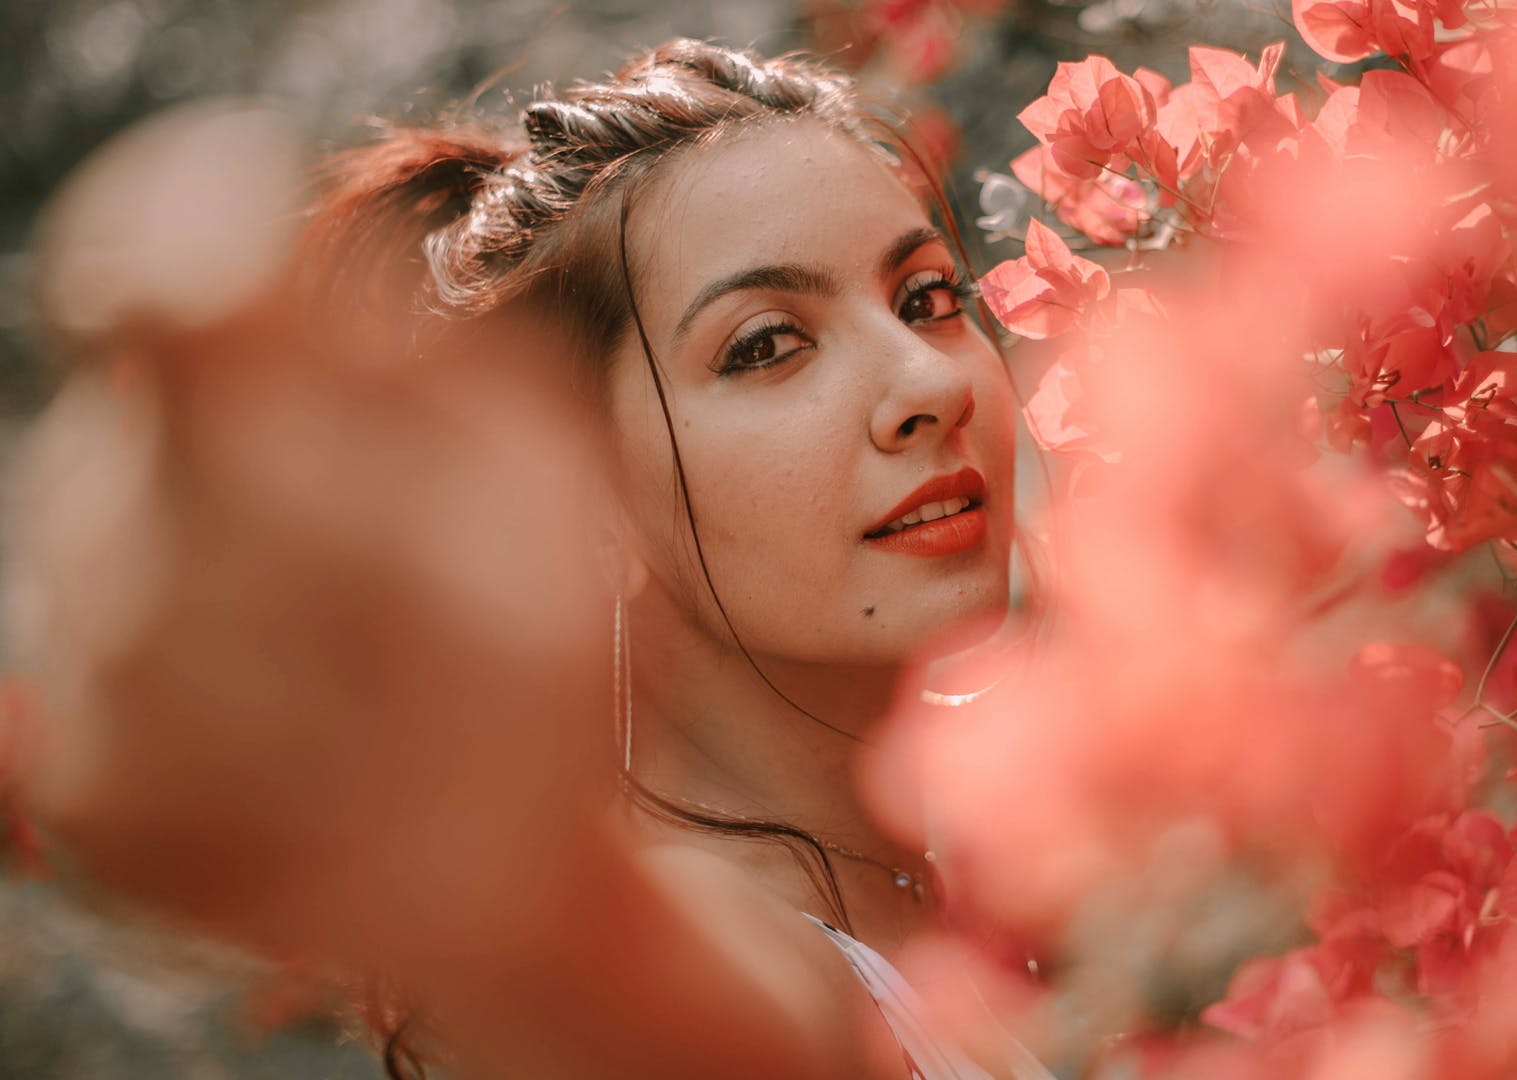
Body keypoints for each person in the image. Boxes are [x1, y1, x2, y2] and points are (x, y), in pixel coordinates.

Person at [10, 37, 1051, 1080]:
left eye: (927, 298)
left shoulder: (1036, 836)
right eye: (766, 344)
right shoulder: (722, 983)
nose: (928, 380)